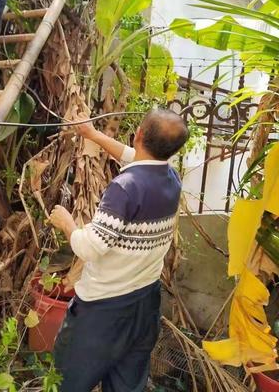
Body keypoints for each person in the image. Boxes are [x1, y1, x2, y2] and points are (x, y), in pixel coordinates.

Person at [49, 109, 190, 392]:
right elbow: (133, 156)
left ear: (138, 134)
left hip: (103, 311)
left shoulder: (124, 188)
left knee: (67, 383)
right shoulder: (171, 179)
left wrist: (67, 223)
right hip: (145, 304)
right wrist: (92, 134)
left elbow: (90, 247)